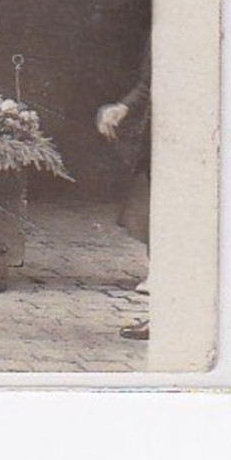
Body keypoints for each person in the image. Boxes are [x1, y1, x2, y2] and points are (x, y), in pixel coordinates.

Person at [97, 49, 151, 340]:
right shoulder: (162, 29)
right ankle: (165, 315)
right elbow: (150, 83)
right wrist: (123, 107)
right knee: (161, 218)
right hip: (163, 138)